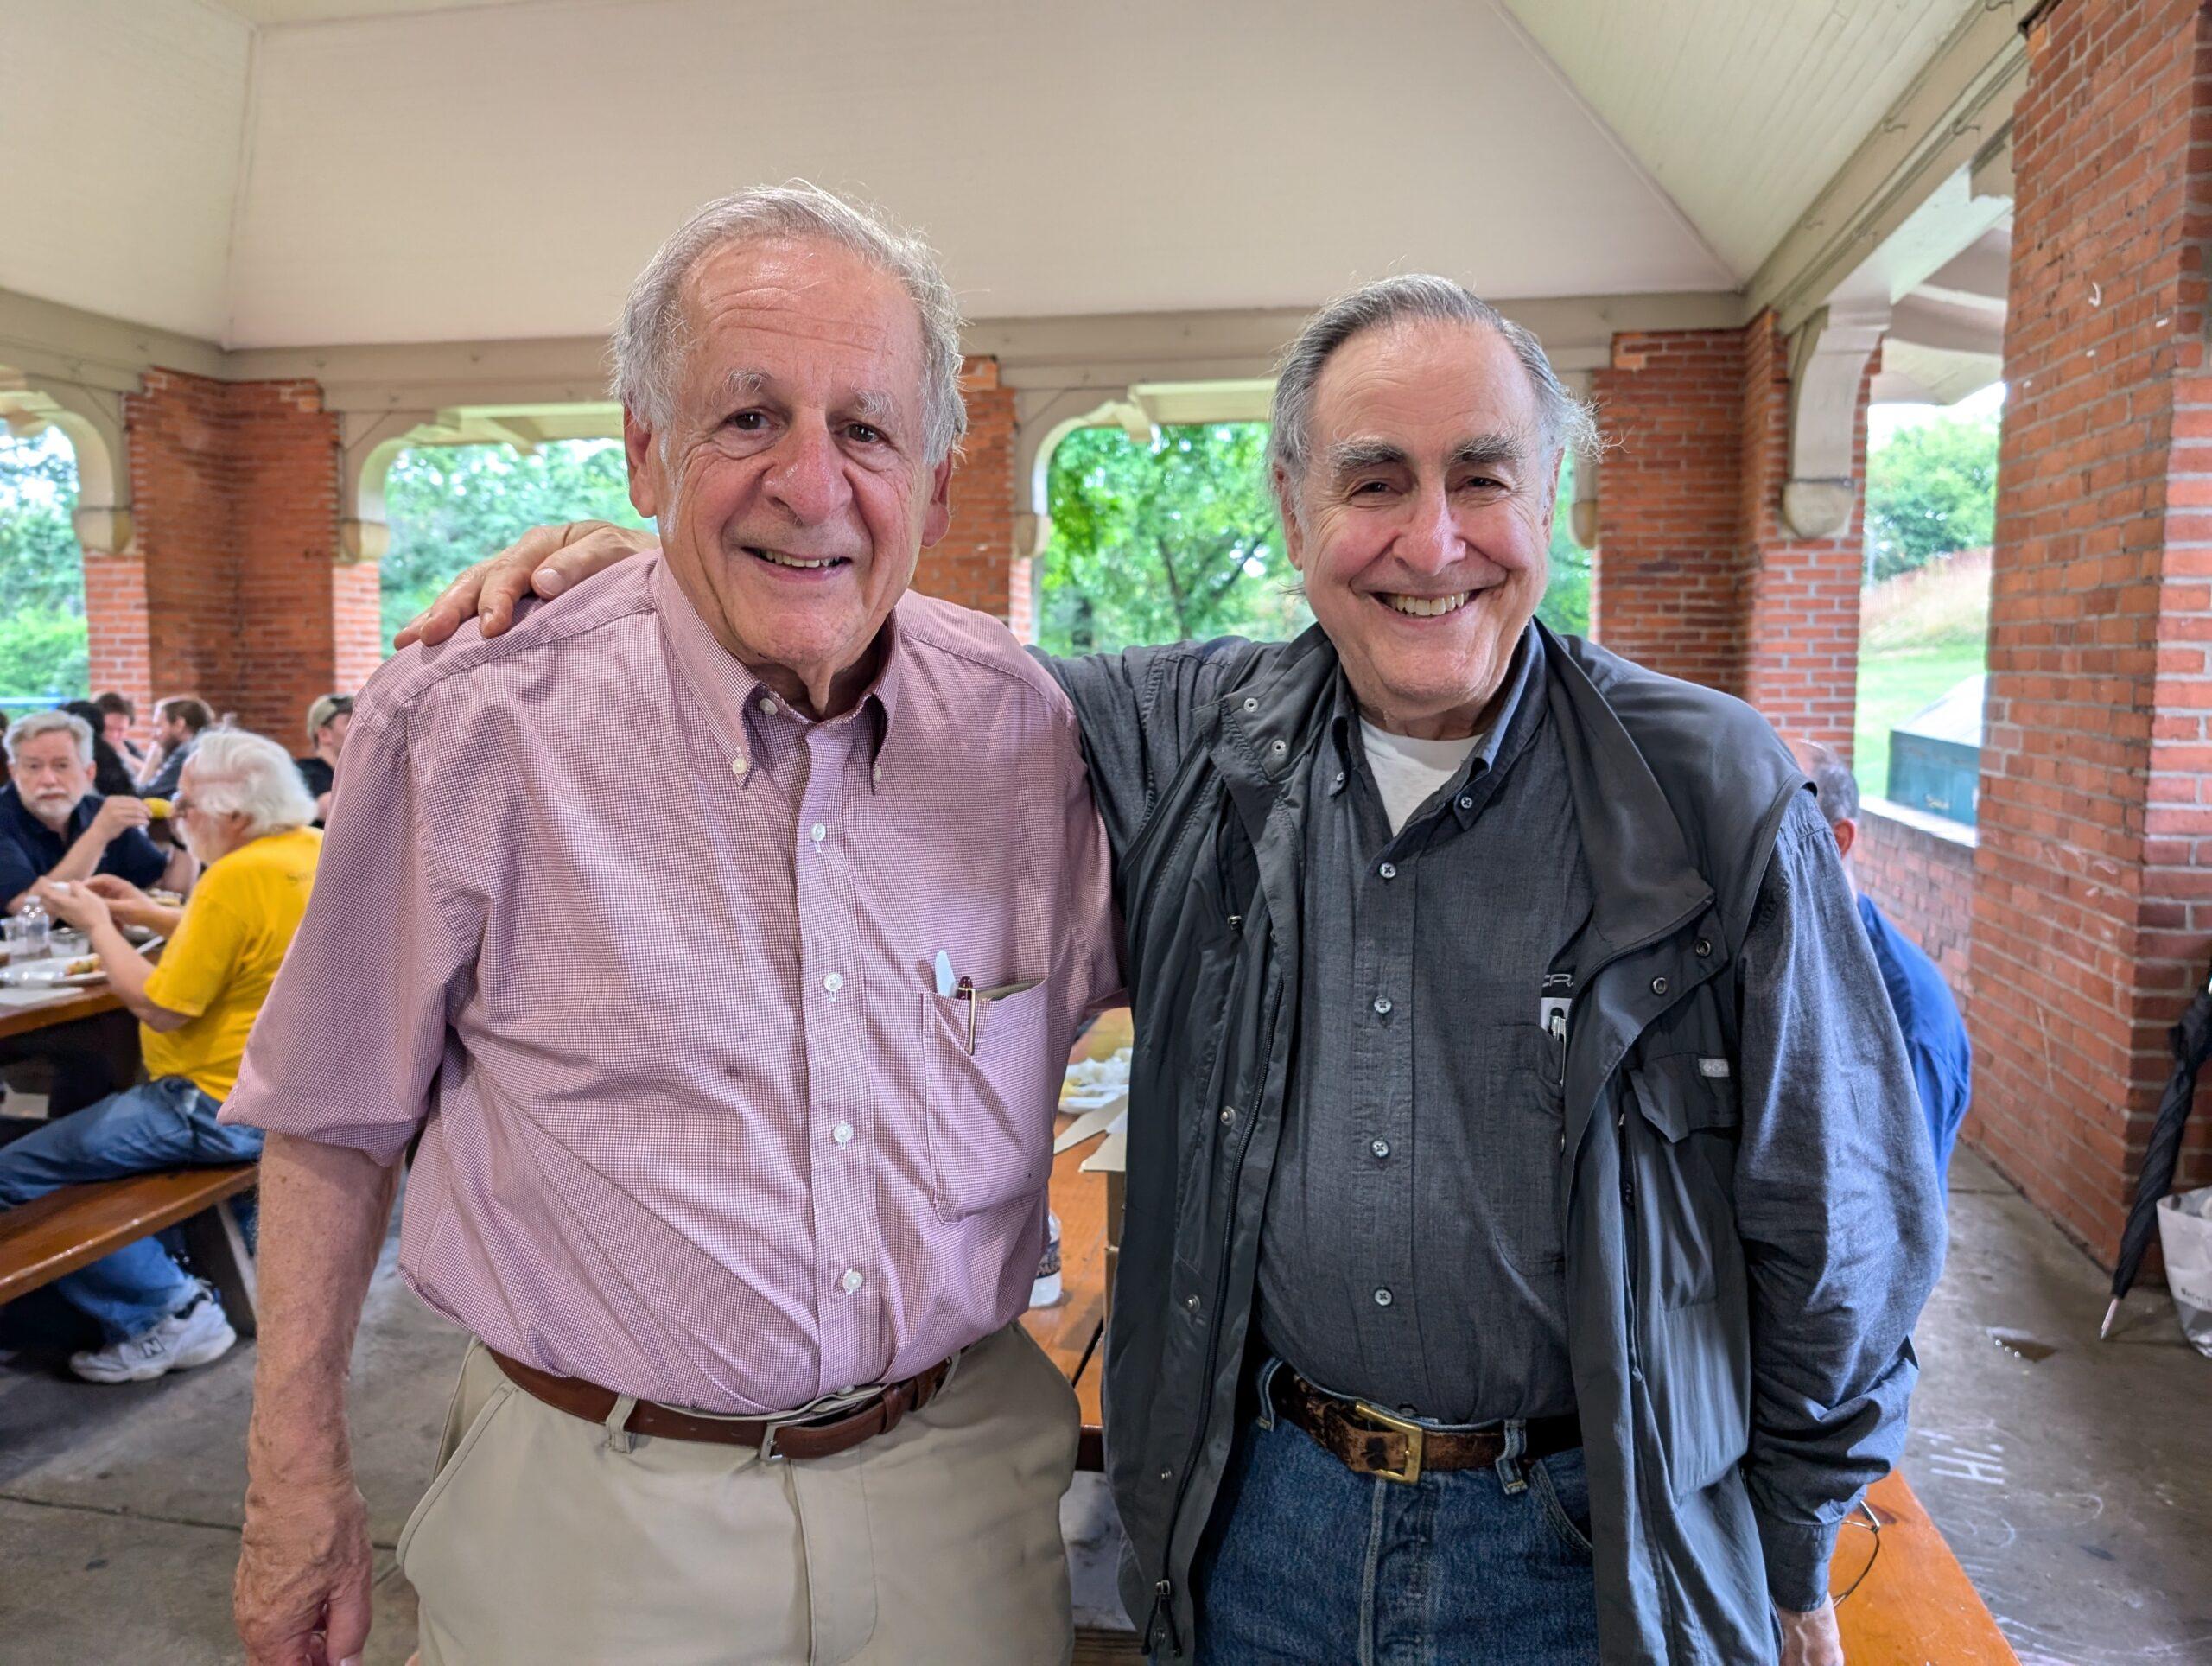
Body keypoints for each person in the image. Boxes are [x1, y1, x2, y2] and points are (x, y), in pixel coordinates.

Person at [419, 272, 1946, 1663]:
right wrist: (686, 564)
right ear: (1292, 510)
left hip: (1577, 1533)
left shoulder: (1705, 789)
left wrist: (1793, 1539)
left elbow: (1839, 1216)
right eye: (1374, 482)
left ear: (1554, 499)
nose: (1432, 542)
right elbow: (900, 645)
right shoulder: (1190, 735)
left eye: (1482, 478)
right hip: (1265, 1512)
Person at [223, 187, 1117, 1666]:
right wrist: (293, 1476)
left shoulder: (1030, 731)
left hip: (962, 1485)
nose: (812, 484)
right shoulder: (472, 723)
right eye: (746, 418)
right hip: (597, 1517)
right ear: (646, 450)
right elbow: (328, 1115)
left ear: (941, 485)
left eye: (869, 429)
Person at [0, 729, 321, 1382]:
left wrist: (97, 927)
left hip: (209, 1103)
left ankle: (165, 1310)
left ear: (234, 814)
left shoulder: (235, 875)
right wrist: (146, 914)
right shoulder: (308, 851)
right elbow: (238, 937)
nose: (177, 820)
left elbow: (159, 1005)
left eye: (186, 807)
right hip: (291, 1092)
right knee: (78, 1131)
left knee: (12, 1171)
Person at [1791, 738, 1973, 1186]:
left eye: (1764, 830)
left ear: (1835, 842)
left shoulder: (1907, 1015)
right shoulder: (1782, 955)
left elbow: (1903, 1212)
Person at [0, 710, 188, 912]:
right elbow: (28, 913)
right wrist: (99, 834)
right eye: (34, 767)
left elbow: (170, 894)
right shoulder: (104, 822)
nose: (48, 780)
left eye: (61, 766)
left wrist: (182, 838)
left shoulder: (98, 810)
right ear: (14, 772)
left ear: (89, 772)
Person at [137, 696, 214, 799]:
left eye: (158, 726)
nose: (154, 736)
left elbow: (142, 795)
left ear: (179, 724)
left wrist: (151, 762)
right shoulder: (209, 743)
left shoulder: (187, 751)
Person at [63, 699, 141, 801]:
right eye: (110, 729)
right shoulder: (109, 758)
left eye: (121, 730)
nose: (114, 735)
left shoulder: (117, 753)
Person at [293, 693, 351, 822]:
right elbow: (332, 809)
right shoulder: (304, 772)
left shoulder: (353, 776)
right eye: (350, 722)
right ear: (324, 735)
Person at [92, 690, 144, 767]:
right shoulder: (86, 747)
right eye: (108, 728)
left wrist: (126, 757)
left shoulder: (128, 747)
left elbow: (150, 775)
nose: (114, 735)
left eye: (121, 730)